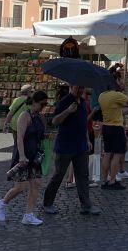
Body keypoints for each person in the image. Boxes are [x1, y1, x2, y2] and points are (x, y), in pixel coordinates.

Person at [42, 85, 100, 216]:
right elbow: (55, 121)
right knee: (58, 175)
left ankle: (86, 205)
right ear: (71, 87)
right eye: (78, 87)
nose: (81, 90)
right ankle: (47, 203)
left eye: (82, 87)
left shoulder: (83, 102)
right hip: (65, 145)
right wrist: (68, 111)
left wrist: (87, 139)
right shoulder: (64, 101)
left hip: (80, 145)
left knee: (82, 176)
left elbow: (83, 123)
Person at [0, 90, 49, 226]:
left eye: (45, 104)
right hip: (23, 155)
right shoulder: (24, 116)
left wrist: (47, 136)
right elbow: (19, 137)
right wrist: (22, 156)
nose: (44, 107)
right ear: (35, 102)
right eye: (42, 104)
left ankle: (29, 215)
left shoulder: (40, 117)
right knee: (20, 187)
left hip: (35, 156)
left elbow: (41, 135)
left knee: (36, 184)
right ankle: (2, 203)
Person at [98, 82, 128, 190]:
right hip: (116, 128)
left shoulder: (101, 96)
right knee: (117, 154)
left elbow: (116, 107)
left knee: (107, 154)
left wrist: (124, 109)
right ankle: (112, 180)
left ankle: (105, 180)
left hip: (106, 127)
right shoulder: (116, 95)